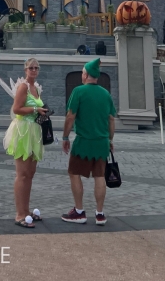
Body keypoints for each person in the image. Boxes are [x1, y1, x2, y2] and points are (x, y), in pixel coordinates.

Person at [61, 57, 116, 226]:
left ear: (86, 75)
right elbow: (111, 119)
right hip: (101, 143)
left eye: (83, 72)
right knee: (100, 176)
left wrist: (65, 137)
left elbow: (70, 117)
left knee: (74, 173)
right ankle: (100, 214)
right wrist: (110, 139)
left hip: (83, 142)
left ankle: (79, 211)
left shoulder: (78, 92)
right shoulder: (106, 94)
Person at [3, 57, 47, 228]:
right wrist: (35, 109)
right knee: (22, 174)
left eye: (36, 68)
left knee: (30, 173)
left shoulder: (36, 88)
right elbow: (17, 109)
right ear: (25, 70)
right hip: (23, 131)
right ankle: (19, 214)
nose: (34, 71)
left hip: (35, 131)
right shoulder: (23, 87)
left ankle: (26, 210)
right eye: (31, 68)